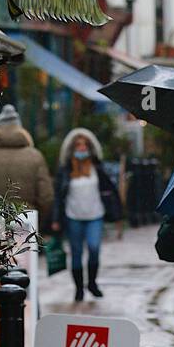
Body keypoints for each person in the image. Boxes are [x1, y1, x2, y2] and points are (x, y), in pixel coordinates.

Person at [52, 128, 121, 302]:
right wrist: (55, 219)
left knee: (94, 248)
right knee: (76, 253)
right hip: (73, 216)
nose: (81, 148)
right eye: (78, 145)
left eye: (84, 145)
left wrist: (117, 212)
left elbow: (110, 190)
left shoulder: (97, 167)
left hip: (95, 216)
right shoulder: (65, 170)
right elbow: (58, 196)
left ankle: (92, 283)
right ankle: (78, 288)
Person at [0, 104, 53, 225]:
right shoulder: (35, 155)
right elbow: (46, 196)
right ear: (20, 128)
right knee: (27, 244)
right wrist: (38, 218)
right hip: (27, 218)